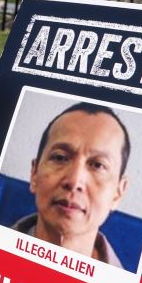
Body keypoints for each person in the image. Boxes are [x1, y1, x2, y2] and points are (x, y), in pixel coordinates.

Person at [13, 102, 130, 268]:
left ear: (118, 193)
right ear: (34, 174)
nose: (75, 181)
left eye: (97, 165)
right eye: (60, 157)